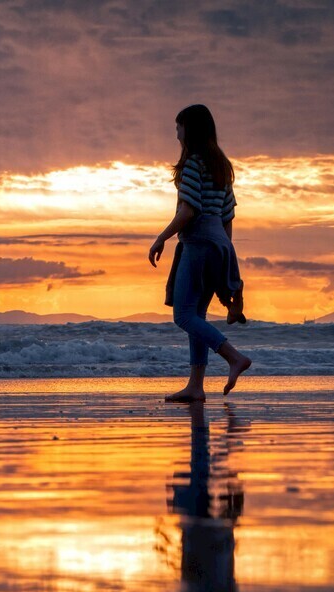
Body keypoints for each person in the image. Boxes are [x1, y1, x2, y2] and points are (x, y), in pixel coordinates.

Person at [148, 105, 251, 402]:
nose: (176, 133)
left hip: (199, 242)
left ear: (189, 130)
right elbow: (228, 217)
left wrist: (161, 237)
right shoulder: (221, 166)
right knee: (197, 314)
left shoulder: (194, 164)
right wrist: (226, 255)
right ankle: (196, 385)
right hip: (219, 243)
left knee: (183, 315)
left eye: (179, 127)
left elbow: (189, 210)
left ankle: (233, 357)